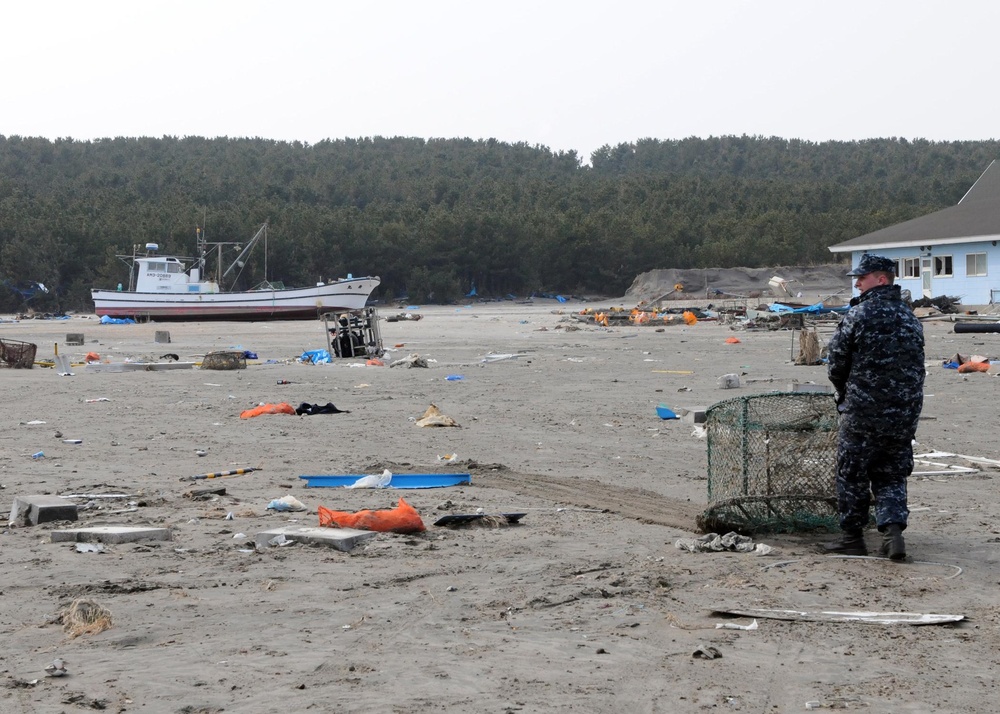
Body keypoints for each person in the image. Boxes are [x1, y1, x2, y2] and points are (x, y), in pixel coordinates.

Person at [823, 254, 925, 560]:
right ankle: (892, 534)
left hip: (864, 411)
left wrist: (844, 392)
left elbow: (837, 363)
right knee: (891, 473)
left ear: (881, 279)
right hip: (904, 413)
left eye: (862, 278)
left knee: (853, 472)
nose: (857, 283)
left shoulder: (859, 315)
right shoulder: (910, 317)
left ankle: (852, 537)